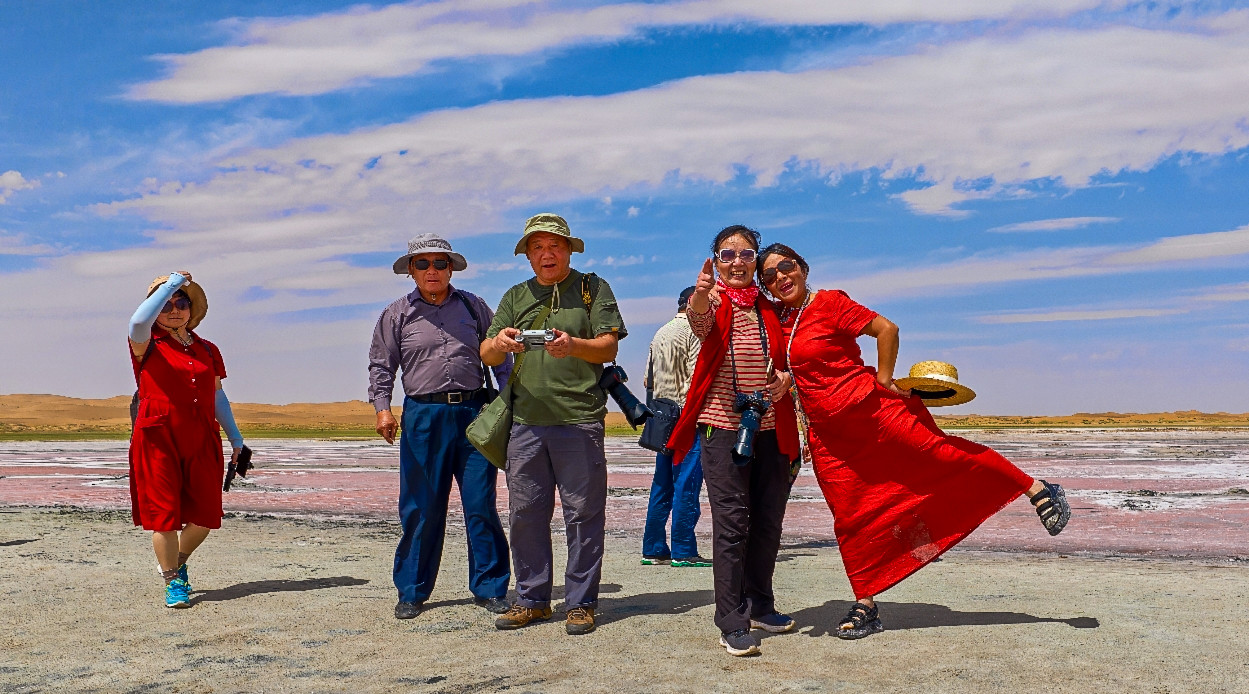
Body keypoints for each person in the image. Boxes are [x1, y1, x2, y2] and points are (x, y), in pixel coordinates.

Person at [757, 242, 1072, 640]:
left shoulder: (830, 303)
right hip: (829, 437)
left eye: (786, 266)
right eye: (769, 276)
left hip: (873, 412)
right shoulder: (778, 318)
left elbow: (886, 329)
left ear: (802, 268)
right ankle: (866, 603)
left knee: (943, 454)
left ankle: (1037, 488)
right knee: (850, 514)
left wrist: (884, 380)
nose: (780, 277)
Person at [480, 213, 627, 636]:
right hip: (526, 424)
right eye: (538, 247)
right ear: (527, 255)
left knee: (583, 514)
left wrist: (573, 345)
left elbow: (608, 347)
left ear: (568, 251)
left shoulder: (592, 288)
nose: (547, 254)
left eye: (555, 246)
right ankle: (531, 600)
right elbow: (486, 353)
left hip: (579, 421)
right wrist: (500, 343)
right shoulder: (515, 295)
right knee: (525, 514)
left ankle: (581, 603)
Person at [665, 225, 801, 657]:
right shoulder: (714, 301)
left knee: (768, 521)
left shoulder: (769, 307)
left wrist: (787, 378)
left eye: (746, 254)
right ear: (717, 262)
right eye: (728, 254)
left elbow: (790, 357)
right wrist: (701, 294)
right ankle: (731, 620)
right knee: (732, 524)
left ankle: (760, 603)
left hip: (770, 427)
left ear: (755, 261)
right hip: (721, 427)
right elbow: (700, 321)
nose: (737, 261)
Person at [369, 233, 513, 620]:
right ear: (411, 270)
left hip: (474, 415)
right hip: (423, 417)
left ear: (451, 268)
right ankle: (412, 591)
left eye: (439, 263)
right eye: (423, 263)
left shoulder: (473, 306)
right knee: (421, 506)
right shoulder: (396, 314)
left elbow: (500, 357)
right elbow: (382, 366)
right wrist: (383, 409)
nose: (431, 270)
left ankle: (490, 587)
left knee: (480, 504)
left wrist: (509, 401)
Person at [127, 270, 245, 608]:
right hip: (158, 437)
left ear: (191, 309)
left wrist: (236, 438)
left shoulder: (207, 349)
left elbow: (217, 395)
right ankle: (172, 581)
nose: (174, 309)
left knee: (206, 514)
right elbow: (138, 321)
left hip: (201, 436)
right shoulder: (146, 342)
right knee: (163, 514)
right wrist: (172, 284)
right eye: (165, 304)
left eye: (181, 303)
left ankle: (177, 562)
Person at [640, 286, 709, 567]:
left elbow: (648, 380)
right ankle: (683, 549)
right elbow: (695, 379)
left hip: (661, 418)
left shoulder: (661, 332)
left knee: (662, 484)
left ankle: (653, 548)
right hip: (685, 419)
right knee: (686, 483)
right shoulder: (695, 332)